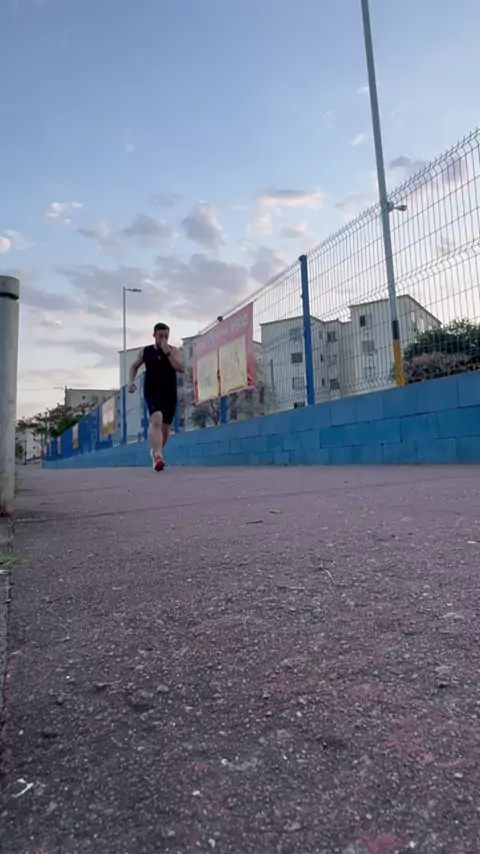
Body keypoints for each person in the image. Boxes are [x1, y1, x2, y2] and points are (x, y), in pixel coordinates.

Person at [128, 322, 185, 471]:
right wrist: (131, 381)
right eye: (160, 336)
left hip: (169, 393)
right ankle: (158, 456)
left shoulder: (174, 351)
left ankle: (155, 452)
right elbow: (134, 366)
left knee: (165, 431)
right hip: (152, 391)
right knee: (156, 420)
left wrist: (168, 353)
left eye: (166, 336)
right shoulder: (146, 351)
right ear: (154, 335)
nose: (163, 339)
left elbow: (181, 368)